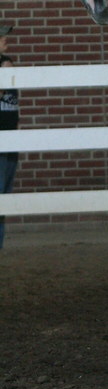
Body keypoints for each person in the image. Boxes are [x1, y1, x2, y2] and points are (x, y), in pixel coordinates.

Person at [0, 23, 19, 248]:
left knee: (4, 195)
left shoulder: (7, 63)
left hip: (10, 138)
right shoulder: (5, 65)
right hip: (3, 140)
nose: (6, 39)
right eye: (2, 36)